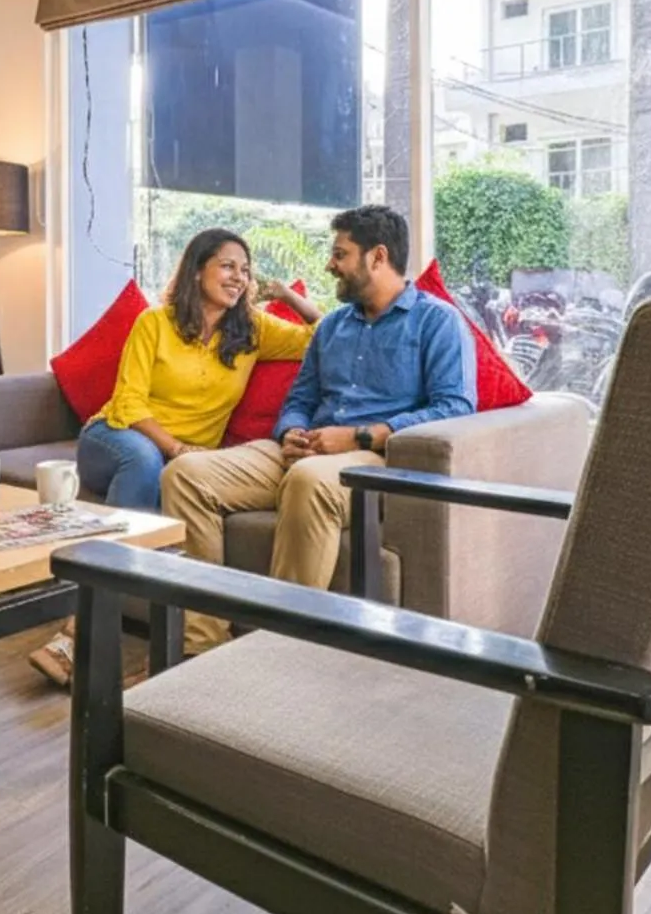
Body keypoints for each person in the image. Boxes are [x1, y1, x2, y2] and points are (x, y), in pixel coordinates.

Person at [161, 205, 475, 656]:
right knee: (186, 473)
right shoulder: (330, 326)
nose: (330, 264)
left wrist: (361, 436)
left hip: (376, 458)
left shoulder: (437, 321)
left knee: (310, 481)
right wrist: (292, 431)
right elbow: (300, 399)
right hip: (305, 449)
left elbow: (455, 406)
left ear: (377, 257)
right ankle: (203, 648)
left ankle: (279, 650)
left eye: (340, 254)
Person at [27, 227, 320, 685]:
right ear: (197, 268)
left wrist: (287, 295)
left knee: (162, 471)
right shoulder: (155, 323)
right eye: (227, 266)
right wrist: (177, 449)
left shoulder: (253, 330)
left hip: (183, 461)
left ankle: (88, 632)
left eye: (245, 271)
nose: (239, 278)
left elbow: (323, 338)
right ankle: (77, 629)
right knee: (144, 463)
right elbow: (128, 402)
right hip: (117, 437)